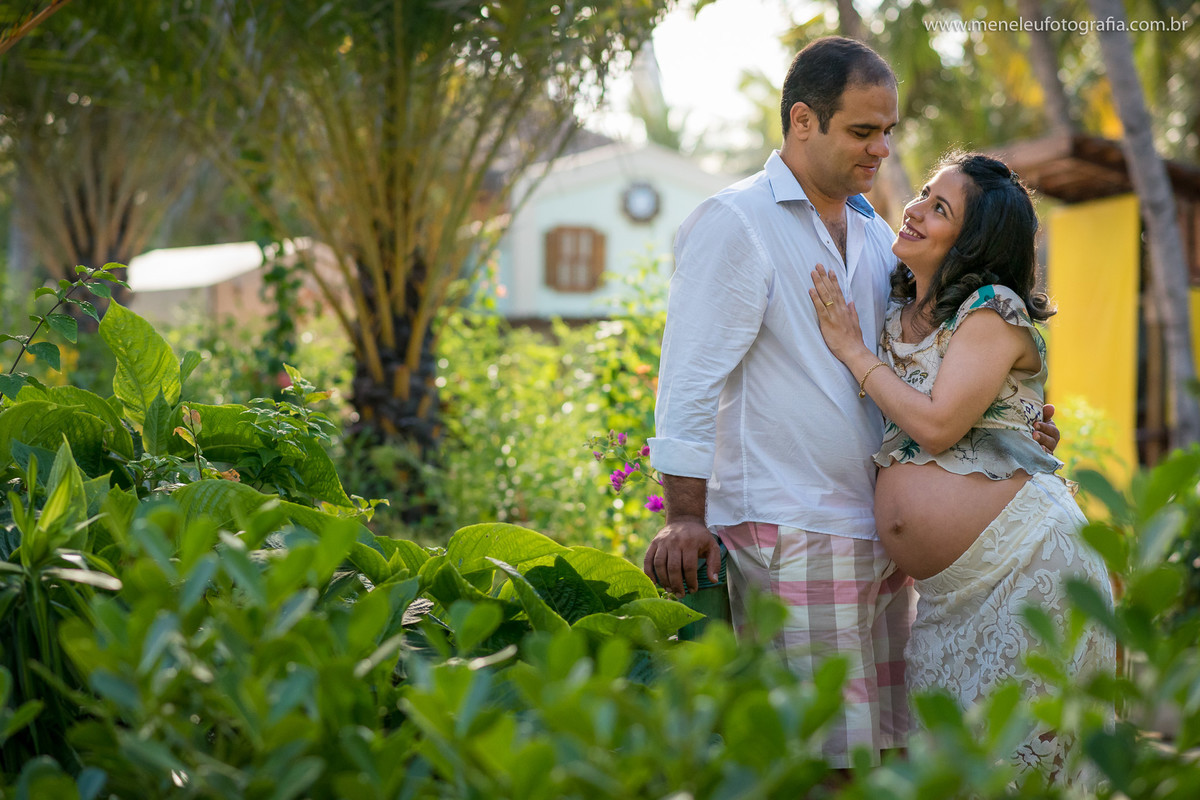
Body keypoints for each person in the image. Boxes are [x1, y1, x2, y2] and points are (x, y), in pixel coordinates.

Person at [645, 35, 1060, 769]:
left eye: (888, 131)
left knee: (889, 760)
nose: (882, 151)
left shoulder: (875, 234)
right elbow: (689, 380)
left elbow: (921, 370)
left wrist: (1005, 424)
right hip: (791, 530)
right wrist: (683, 516)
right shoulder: (737, 221)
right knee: (823, 764)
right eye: (863, 131)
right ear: (803, 121)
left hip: (878, 548)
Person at [808, 152, 1115, 780]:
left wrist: (851, 350)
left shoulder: (992, 309)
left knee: (1018, 771)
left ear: (971, 241)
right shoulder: (895, 308)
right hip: (948, 596)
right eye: (925, 192)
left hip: (1026, 567)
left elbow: (938, 424)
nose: (916, 209)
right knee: (954, 770)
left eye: (939, 208)